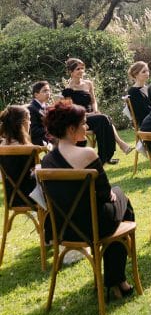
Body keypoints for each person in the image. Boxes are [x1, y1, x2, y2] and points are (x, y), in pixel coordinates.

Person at [41, 101, 136, 300]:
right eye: (83, 124)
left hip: (64, 228)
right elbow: (105, 193)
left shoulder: (46, 161)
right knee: (123, 200)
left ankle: (117, 282)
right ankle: (117, 281)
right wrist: (112, 193)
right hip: (93, 226)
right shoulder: (87, 153)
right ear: (70, 128)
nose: (87, 127)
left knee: (118, 199)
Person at [62, 58, 132, 163]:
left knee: (104, 118)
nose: (81, 71)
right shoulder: (68, 89)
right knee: (104, 118)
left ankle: (105, 156)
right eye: (77, 69)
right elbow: (72, 110)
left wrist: (95, 110)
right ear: (70, 72)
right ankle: (110, 153)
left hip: (92, 114)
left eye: (82, 68)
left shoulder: (88, 83)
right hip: (80, 118)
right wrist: (88, 114)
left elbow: (94, 100)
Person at [28, 81, 52, 146]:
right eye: (45, 91)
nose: (48, 93)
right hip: (38, 143)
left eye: (48, 90)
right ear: (36, 94)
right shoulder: (31, 108)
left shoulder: (47, 106)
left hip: (49, 140)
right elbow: (33, 130)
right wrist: (51, 128)